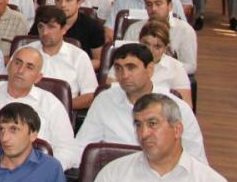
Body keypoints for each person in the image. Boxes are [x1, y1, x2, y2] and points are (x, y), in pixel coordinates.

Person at [76, 94, 233, 182]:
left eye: (152, 123)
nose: (143, 133)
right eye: (138, 125)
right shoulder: (114, 172)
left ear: (177, 129)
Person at [74, 44, 205, 166]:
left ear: (150, 70)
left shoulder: (179, 109)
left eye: (131, 68)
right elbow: (82, 147)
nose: (124, 75)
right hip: (114, 175)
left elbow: (196, 160)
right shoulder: (104, 101)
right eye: (119, 68)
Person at [0, 46, 77, 170]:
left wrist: (43, 172)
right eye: (17, 63)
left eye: (29, 67)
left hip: (33, 173)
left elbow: (67, 150)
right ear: (9, 67)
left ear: (38, 77)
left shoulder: (51, 104)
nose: (20, 70)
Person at [24, 5, 98, 110]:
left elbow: (90, 96)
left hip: (61, 112)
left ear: (64, 29)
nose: (45, 32)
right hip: (25, 110)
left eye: (51, 27)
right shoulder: (24, 52)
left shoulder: (79, 57)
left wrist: (58, 108)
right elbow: (7, 84)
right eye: (41, 27)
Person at [123, 0, 197, 75]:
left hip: (170, 77)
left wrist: (164, 71)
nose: (153, 9)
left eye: (158, 4)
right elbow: (125, 58)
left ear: (170, 6)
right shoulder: (134, 29)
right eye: (149, 4)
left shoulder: (185, 30)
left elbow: (190, 65)